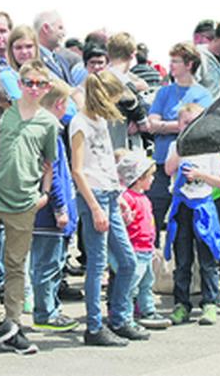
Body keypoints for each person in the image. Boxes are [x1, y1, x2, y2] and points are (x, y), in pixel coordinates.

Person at [0, 59, 59, 356]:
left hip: (23, 202)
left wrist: (43, 194)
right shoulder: (3, 114)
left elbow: (49, 163)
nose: (33, 88)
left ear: (47, 88)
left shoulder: (48, 123)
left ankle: (14, 326)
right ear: (20, 84)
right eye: (28, 82)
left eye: (39, 84)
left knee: (16, 265)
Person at [70, 69, 147, 346]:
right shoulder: (80, 124)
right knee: (98, 264)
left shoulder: (100, 121)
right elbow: (77, 171)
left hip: (110, 194)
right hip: (94, 197)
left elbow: (105, 163)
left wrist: (119, 196)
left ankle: (120, 318)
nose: (115, 106)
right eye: (113, 99)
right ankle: (93, 326)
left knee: (127, 261)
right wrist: (95, 208)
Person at [164, 103, 220, 326]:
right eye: (185, 123)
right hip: (181, 206)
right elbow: (168, 170)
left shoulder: (210, 148)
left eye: (195, 123)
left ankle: (210, 302)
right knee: (183, 259)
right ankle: (181, 303)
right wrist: (181, 150)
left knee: (207, 258)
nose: (190, 127)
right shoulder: (176, 145)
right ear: (179, 124)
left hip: (203, 206)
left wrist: (200, 174)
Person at [145, 43, 214, 229]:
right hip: (161, 162)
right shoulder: (164, 91)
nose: (171, 65)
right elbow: (151, 123)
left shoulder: (203, 95)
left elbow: (199, 126)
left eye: (175, 61)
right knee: (154, 212)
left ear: (189, 64)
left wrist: (163, 126)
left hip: (189, 166)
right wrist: (180, 125)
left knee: (185, 223)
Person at [30, 77, 79, 332]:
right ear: (60, 104)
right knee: (47, 266)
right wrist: (60, 208)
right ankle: (45, 311)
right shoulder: (50, 134)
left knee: (54, 263)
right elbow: (54, 177)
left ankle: (51, 308)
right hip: (49, 216)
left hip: (52, 214)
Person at [117, 149, 170, 329]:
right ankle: (125, 315)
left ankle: (148, 310)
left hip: (146, 249)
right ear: (138, 178)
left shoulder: (144, 198)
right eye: (149, 176)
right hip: (134, 249)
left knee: (147, 282)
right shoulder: (127, 198)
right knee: (131, 284)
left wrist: (153, 245)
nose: (153, 179)